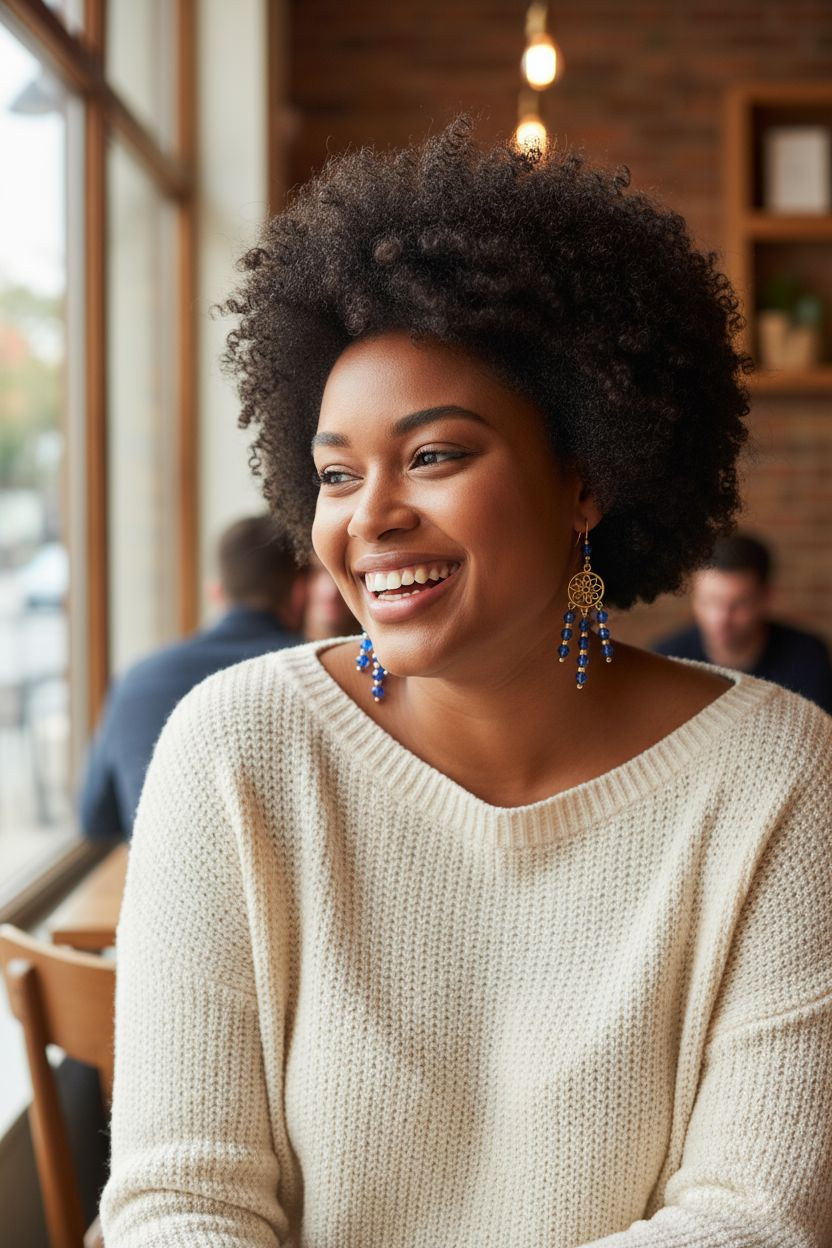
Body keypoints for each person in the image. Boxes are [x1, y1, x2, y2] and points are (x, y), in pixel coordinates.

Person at [100, 116, 832, 1247]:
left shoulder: (779, 774)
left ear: (583, 479)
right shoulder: (236, 748)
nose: (371, 516)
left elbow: (755, 1219)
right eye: (336, 473)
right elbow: (178, 1203)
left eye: (434, 455)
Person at [77, 513, 307, 840]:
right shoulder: (313, 674)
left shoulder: (136, 679)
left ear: (215, 592)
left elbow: (95, 821)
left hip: (159, 885)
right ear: (300, 592)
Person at [652, 532, 832, 714]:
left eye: (738, 604)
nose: (721, 618)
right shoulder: (667, 659)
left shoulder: (806, 656)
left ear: (765, 598)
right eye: (710, 601)